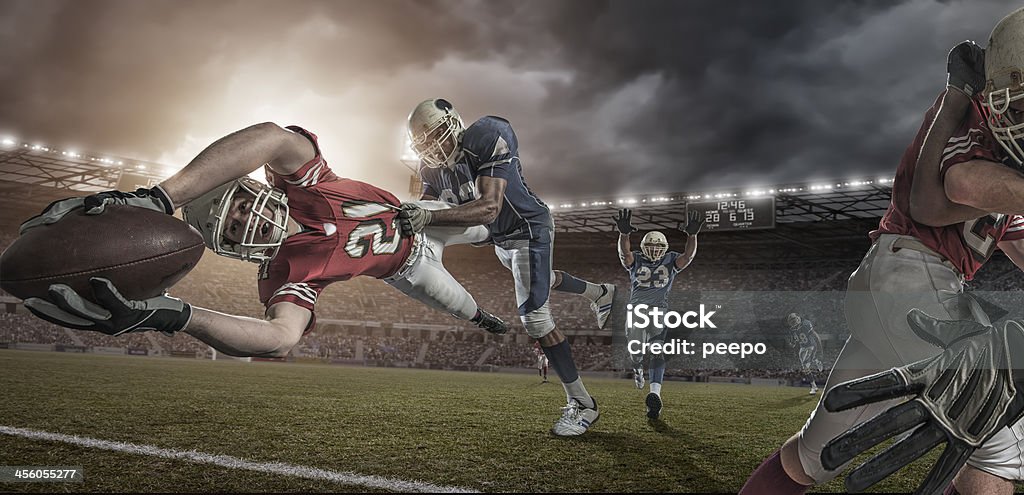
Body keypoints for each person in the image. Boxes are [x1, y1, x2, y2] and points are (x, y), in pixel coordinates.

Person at [741, 14, 1024, 494]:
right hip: (911, 278)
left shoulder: (1010, 175)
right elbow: (951, 190)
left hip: (900, 290)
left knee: (811, 457)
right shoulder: (969, 119)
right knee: (999, 439)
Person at [19, 123, 511, 361]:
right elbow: (279, 338)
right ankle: (490, 320)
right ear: (227, 249)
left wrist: (159, 198)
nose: (243, 225)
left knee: (487, 226)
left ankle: (509, 232)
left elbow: (275, 136)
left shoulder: (305, 183)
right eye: (230, 232)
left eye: (236, 210)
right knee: (462, 305)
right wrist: (176, 315)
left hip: (422, 219)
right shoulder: (284, 273)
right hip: (405, 267)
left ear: (253, 189)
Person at [400, 98, 614, 436]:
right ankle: (600, 292)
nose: (433, 148)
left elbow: (488, 208)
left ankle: (583, 404)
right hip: (499, 240)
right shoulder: (430, 170)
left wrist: (426, 216)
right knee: (540, 282)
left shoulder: (487, 133)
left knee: (536, 317)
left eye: (436, 135)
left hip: (526, 227)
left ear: (453, 123)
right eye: (423, 143)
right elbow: (431, 206)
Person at [615, 207, 702, 419]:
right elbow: (624, 253)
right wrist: (623, 234)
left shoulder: (671, 260)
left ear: (665, 248)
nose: (654, 250)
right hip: (637, 309)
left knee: (657, 350)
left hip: (659, 311)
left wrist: (692, 236)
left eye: (658, 246)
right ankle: (637, 367)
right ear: (643, 246)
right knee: (636, 348)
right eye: (651, 246)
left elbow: (688, 255)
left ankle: (655, 395)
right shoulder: (636, 258)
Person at [784, 313, 823, 395]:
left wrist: (820, 349)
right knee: (805, 369)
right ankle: (816, 362)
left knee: (806, 366)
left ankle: (813, 387)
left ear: (797, 319)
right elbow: (794, 343)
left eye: (793, 321)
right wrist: (791, 344)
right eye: (791, 322)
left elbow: (815, 335)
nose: (793, 323)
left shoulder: (806, 324)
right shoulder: (792, 330)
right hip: (803, 348)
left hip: (811, 346)